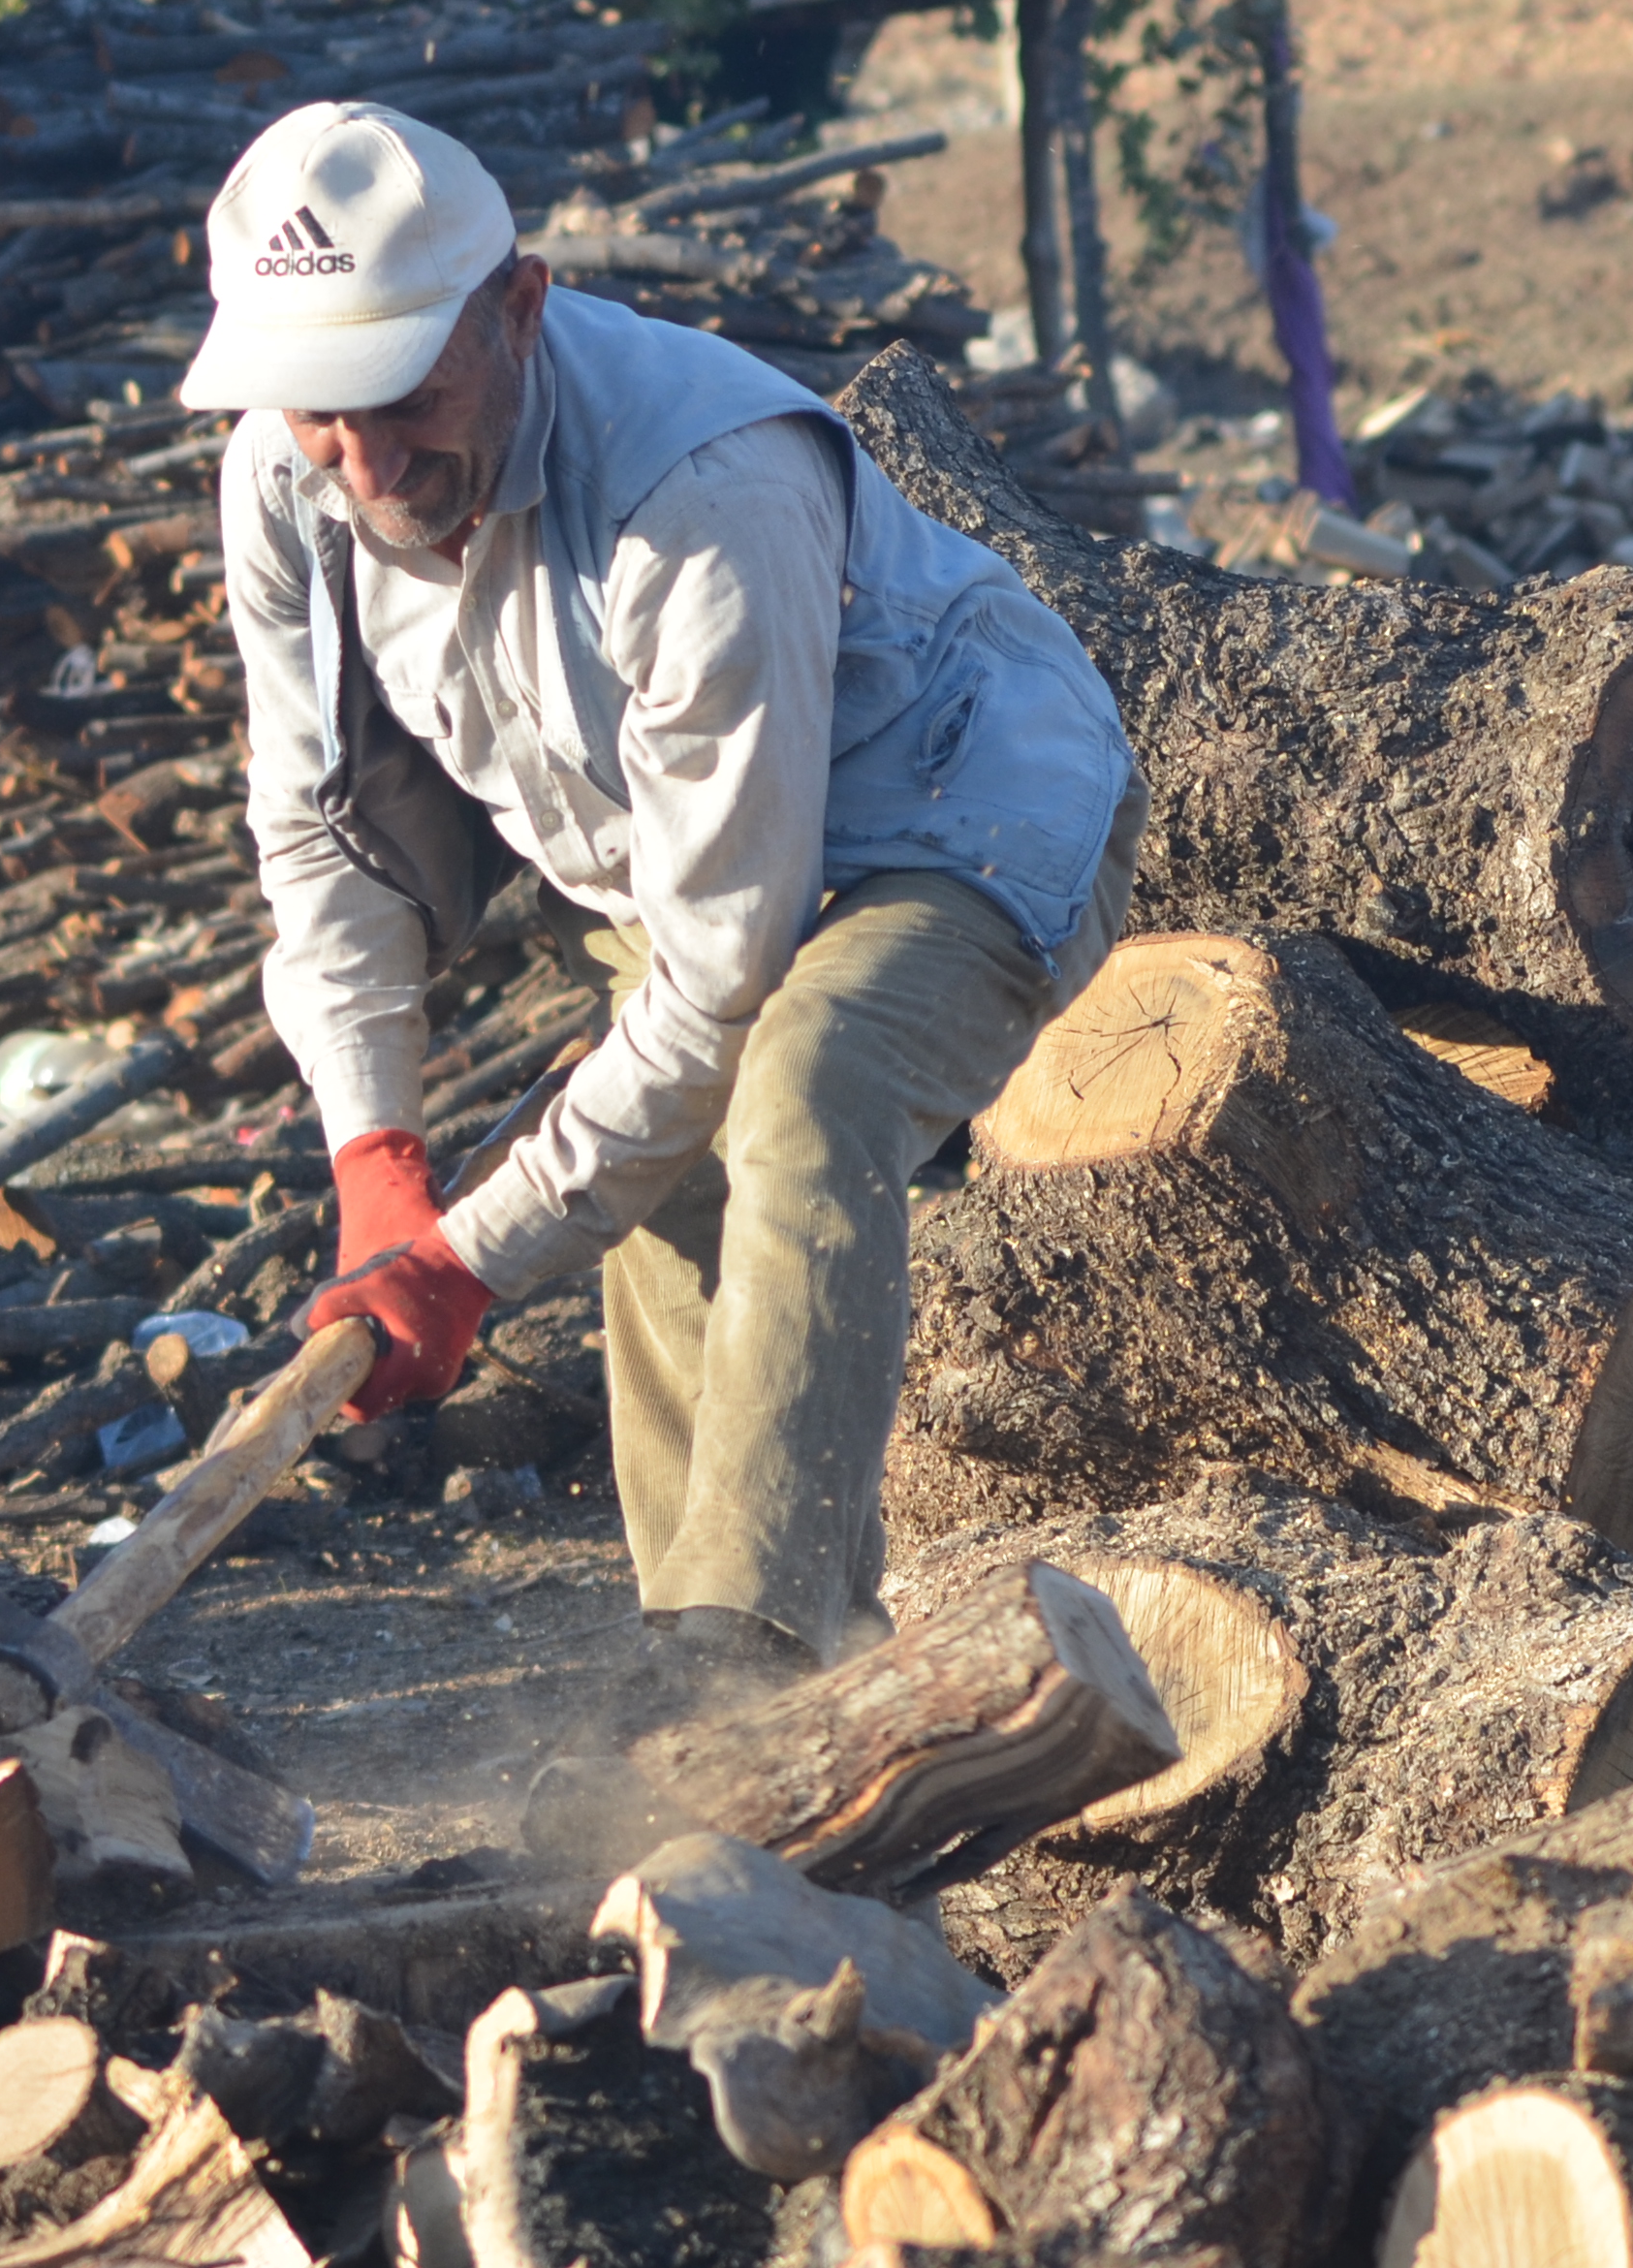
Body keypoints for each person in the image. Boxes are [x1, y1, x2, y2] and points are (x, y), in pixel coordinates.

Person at [189, 98, 1141, 1685]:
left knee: (802, 1079)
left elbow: (722, 972)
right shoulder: (288, 482)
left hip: (952, 809)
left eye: (404, 399)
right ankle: (697, 1651)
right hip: (682, 846)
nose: (366, 467)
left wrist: (460, 1262)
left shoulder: (701, 489)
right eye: (319, 420)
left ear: (520, 304)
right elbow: (320, 832)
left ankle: (756, 1656)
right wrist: (377, 1154)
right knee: (653, 1174)